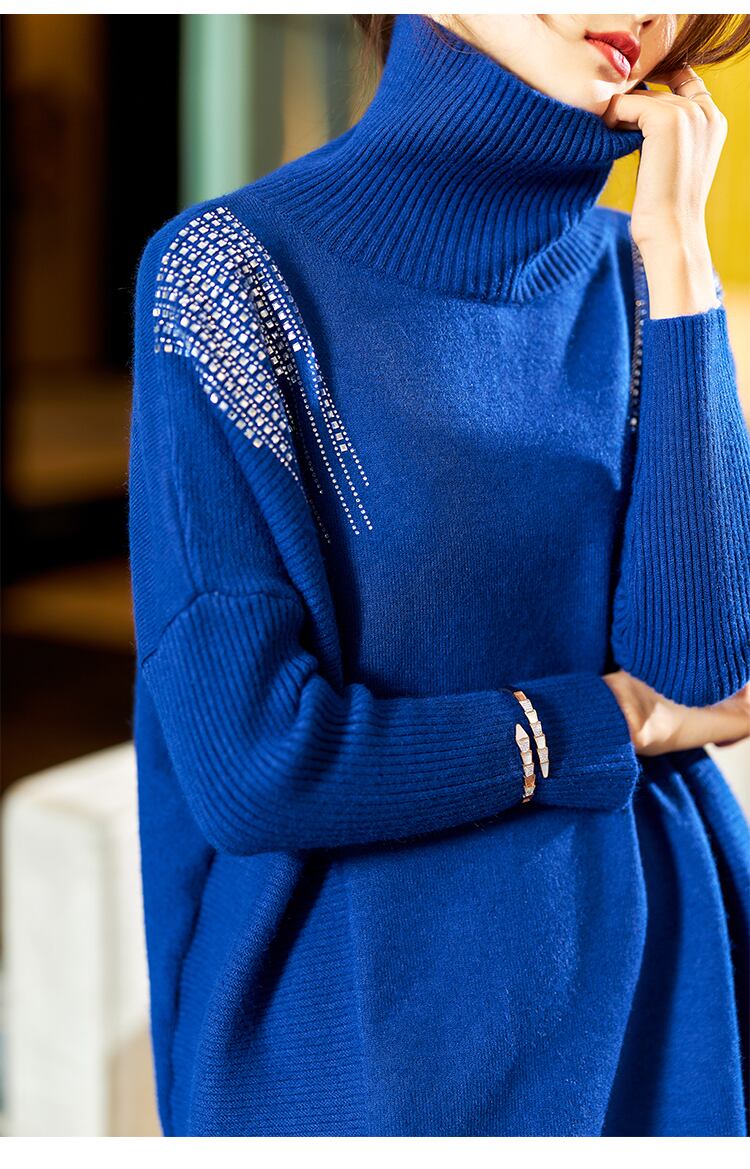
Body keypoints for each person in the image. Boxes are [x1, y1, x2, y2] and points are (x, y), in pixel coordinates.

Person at [128, 13, 750, 1136]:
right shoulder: (229, 276)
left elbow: (707, 674)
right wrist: (606, 718)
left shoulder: (645, 276)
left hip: (678, 1011)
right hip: (373, 1044)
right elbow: (256, 763)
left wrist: (682, 258)